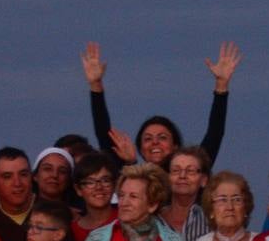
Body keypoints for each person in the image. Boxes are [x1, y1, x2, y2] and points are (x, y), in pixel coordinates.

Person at [82, 41, 241, 170]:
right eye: (148, 139)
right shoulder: (130, 181)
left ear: (176, 146)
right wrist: (96, 85)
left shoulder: (190, 177)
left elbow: (215, 134)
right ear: (140, 149)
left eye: (163, 137)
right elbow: (104, 135)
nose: (155, 143)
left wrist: (221, 85)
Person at [160, 146, 211, 241]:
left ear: (203, 180)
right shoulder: (154, 219)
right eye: (176, 170)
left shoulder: (213, 222)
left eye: (190, 171)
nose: (182, 175)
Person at [70, 152, 118, 241]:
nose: (99, 187)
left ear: (114, 185)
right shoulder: (71, 232)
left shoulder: (126, 220)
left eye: (105, 180)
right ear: (78, 189)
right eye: (90, 182)